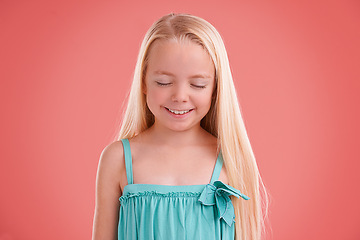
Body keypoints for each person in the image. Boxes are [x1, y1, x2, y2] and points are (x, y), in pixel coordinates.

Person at [92, 13, 268, 240]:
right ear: (143, 81)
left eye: (198, 84)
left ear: (215, 89)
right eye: (163, 82)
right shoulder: (117, 159)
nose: (180, 96)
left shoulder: (232, 158)